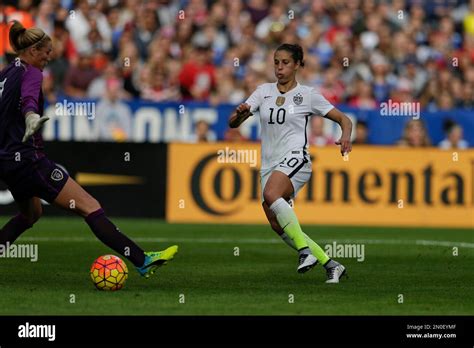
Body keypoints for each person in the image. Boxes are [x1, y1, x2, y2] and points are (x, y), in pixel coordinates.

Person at [0, 21, 177, 279]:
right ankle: (141, 259)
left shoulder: (6, 74)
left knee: (31, 213)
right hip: (29, 161)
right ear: (34, 50)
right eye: (48, 51)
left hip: (7, 162)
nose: (51, 57)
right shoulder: (32, 72)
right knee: (89, 206)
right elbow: (29, 98)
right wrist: (30, 116)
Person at [229, 43, 352, 284]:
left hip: (297, 159)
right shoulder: (263, 91)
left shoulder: (308, 95)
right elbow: (233, 122)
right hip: (269, 164)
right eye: (276, 62)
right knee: (278, 225)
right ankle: (330, 264)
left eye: (285, 62)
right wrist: (240, 114)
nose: (279, 67)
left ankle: (305, 252)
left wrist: (346, 136)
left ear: (297, 65)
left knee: (271, 194)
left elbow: (343, 119)